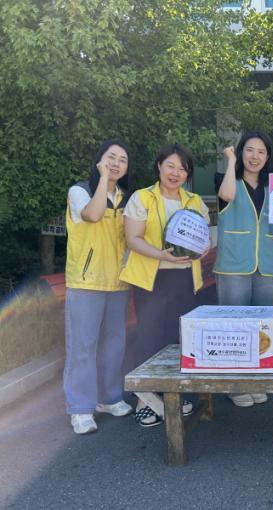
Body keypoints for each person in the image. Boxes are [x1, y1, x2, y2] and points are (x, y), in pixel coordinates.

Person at [120, 144, 210, 427]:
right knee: (149, 336)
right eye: (170, 165)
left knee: (176, 339)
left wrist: (204, 247)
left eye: (182, 169)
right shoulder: (142, 197)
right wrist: (161, 255)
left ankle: (172, 396)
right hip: (151, 278)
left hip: (184, 278)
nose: (175, 173)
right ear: (159, 166)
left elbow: (203, 237)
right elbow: (132, 238)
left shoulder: (195, 201)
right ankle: (145, 400)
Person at [216, 131, 273, 408]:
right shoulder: (228, 181)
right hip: (233, 263)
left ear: (268, 157)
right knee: (234, 327)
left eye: (261, 152)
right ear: (241, 152)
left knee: (262, 327)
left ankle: (255, 380)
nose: (255, 156)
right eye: (249, 150)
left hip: (265, 264)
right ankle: (234, 386)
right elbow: (226, 195)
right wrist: (230, 161)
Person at [64, 140, 133, 434]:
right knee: (83, 346)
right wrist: (103, 179)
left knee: (114, 344)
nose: (116, 163)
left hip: (118, 282)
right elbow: (92, 215)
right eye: (110, 158)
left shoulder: (127, 198)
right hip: (86, 281)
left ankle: (109, 397)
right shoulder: (80, 191)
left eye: (122, 160)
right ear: (99, 161)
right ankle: (80, 408)